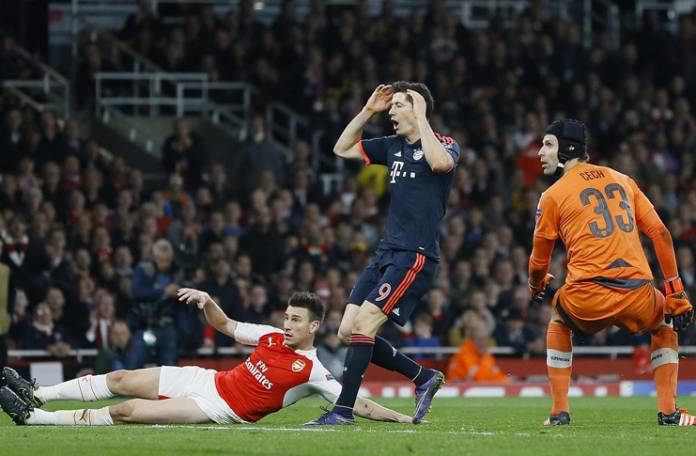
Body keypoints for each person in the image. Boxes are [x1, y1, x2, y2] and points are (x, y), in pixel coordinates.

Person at [0, 288, 413, 426]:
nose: (287, 324)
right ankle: (39, 394)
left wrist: (402, 418)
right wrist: (207, 300)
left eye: (295, 320)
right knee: (122, 378)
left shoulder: (314, 371)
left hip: (216, 408)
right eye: (287, 317)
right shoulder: (269, 335)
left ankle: (33, 418)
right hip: (207, 380)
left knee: (127, 410)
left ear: (313, 327)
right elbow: (226, 325)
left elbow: (355, 403)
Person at [308, 82, 460, 426]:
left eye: (399, 105)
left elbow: (440, 165)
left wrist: (422, 117)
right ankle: (422, 377)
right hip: (386, 252)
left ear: (418, 109)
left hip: (415, 255)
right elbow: (341, 148)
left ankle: (343, 411)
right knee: (347, 331)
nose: (391, 111)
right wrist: (367, 111)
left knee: (363, 326)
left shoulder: (446, 144)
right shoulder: (391, 146)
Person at [528, 119, 694, 426]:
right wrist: (675, 291)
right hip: (637, 293)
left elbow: (540, 260)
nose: (540, 152)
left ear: (567, 149)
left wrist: (536, 285)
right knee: (664, 323)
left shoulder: (552, 195)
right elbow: (660, 233)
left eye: (548, 144)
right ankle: (669, 412)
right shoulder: (624, 180)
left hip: (588, 296)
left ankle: (559, 412)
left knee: (558, 319)